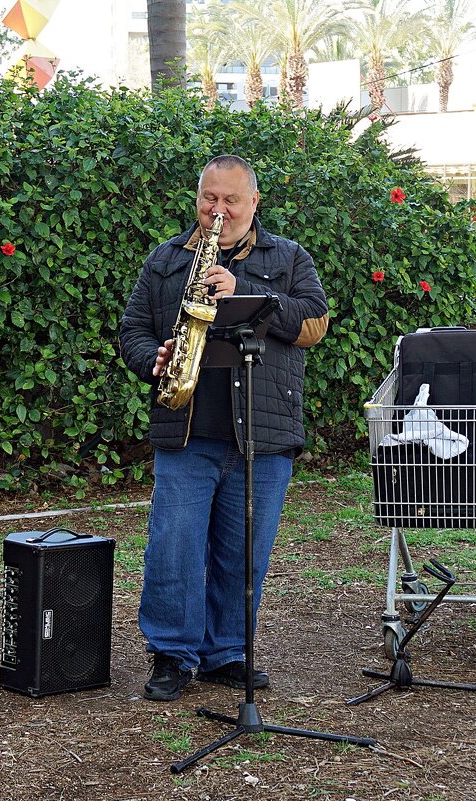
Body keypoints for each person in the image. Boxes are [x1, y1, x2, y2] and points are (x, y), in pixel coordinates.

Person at [119, 155, 329, 702]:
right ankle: (172, 653)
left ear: (254, 202)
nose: (219, 210)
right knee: (173, 547)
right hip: (186, 426)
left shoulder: (287, 258)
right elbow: (133, 329)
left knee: (245, 552)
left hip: (262, 433)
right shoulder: (166, 259)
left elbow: (314, 324)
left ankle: (228, 652)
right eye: (209, 198)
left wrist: (244, 289)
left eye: (231, 200)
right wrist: (154, 359)